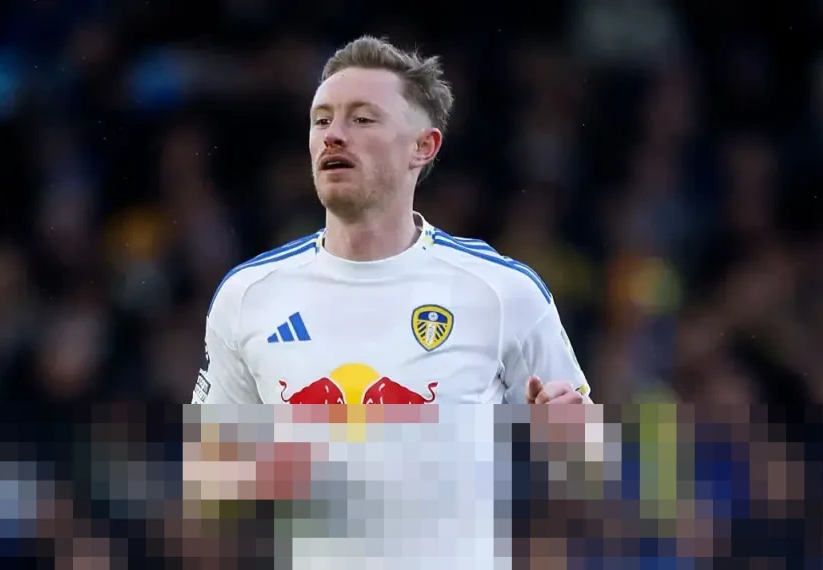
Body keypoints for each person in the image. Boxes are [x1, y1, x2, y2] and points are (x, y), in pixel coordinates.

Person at [191, 36, 591, 406]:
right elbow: (217, 458)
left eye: (362, 119)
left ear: (423, 146)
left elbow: (584, 453)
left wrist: (568, 438)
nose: (333, 135)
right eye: (322, 120)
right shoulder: (246, 296)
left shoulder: (505, 293)